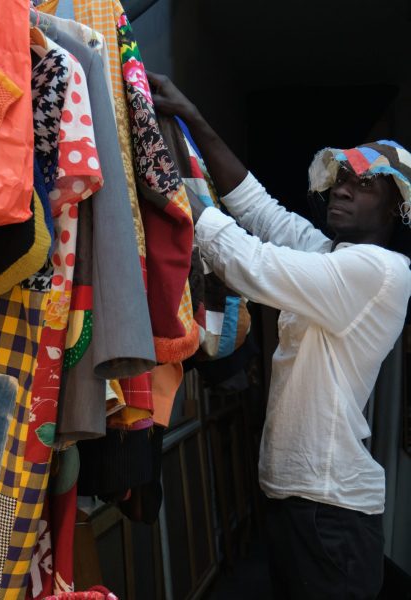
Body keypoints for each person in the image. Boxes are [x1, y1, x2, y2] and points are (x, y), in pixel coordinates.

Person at [147, 71, 411, 599]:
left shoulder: (379, 271)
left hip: (330, 510)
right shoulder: (332, 256)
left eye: (364, 184)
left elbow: (251, 263)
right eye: (340, 176)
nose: (343, 186)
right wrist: (193, 118)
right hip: (300, 499)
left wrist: (164, 181)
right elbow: (258, 208)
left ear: (395, 209)